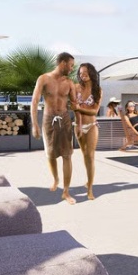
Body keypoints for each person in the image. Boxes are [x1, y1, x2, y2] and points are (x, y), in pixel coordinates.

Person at [31, 52, 77, 205]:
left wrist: (80, 122)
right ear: (63, 63)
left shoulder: (69, 83)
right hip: (48, 119)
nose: (72, 69)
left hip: (64, 119)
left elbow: (75, 105)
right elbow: (34, 101)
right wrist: (34, 124)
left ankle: (66, 191)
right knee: (51, 155)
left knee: (67, 155)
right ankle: (56, 179)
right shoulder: (44, 78)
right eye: (71, 65)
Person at [72, 63, 102, 200]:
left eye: (85, 73)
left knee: (90, 156)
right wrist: (78, 124)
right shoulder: (76, 87)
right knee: (84, 155)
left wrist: (79, 108)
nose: (82, 76)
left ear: (91, 73)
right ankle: (88, 180)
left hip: (91, 125)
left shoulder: (97, 90)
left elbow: (94, 111)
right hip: (78, 125)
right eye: (80, 73)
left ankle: (90, 189)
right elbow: (72, 107)